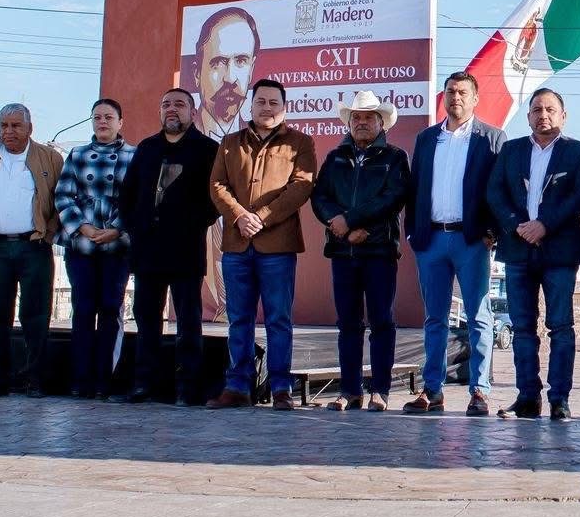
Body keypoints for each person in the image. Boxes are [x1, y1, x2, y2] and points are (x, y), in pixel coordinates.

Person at [206, 79, 317, 410]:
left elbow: (301, 187)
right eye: (261, 102)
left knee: (278, 319)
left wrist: (262, 217)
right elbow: (217, 185)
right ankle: (237, 387)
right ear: (250, 106)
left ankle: (281, 387)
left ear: (284, 108)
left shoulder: (300, 143)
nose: (267, 108)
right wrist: (240, 216)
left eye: (274, 103)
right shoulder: (229, 143)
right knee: (238, 318)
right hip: (236, 246)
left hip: (277, 247)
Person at [485, 88, 580, 421]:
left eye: (550, 109)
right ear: (528, 115)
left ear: (563, 115)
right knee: (521, 328)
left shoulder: (577, 152)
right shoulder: (511, 150)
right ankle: (527, 396)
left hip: (559, 252)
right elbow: (495, 191)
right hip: (518, 250)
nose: (542, 115)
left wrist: (544, 224)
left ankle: (559, 398)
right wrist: (517, 225)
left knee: (560, 326)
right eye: (536, 109)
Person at [405, 71, 505, 417]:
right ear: (443, 97)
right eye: (450, 91)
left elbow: (498, 189)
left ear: (475, 99)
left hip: (471, 240)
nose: (456, 97)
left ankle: (479, 391)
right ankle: (432, 391)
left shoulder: (491, 138)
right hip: (431, 239)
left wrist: (492, 231)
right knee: (435, 318)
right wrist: (412, 233)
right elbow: (415, 187)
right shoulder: (426, 138)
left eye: (463, 92)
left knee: (478, 316)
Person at [311, 91, 411, 411]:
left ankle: (379, 391)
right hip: (343, 254)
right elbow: (320, 198)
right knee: (348, 324)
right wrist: (336, 224)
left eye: (368, 117)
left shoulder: (395, 157)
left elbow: (392, 198)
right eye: (357, 117)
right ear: (349, 123)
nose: (362, 122)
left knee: (382, 321)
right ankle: (350, 391)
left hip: (379, 251)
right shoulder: (335, 157)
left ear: (381, 122)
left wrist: (352, 221)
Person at [120, 88, 221, 404]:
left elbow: (214, 200)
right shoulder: (147, 149)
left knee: (188, 323)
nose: (172, 109)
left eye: (179, 104)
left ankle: (188, 388)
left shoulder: (207, 149)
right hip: (147, 251)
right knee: (147, 320)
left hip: (186, 250)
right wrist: (135, 227)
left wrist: (191, 224)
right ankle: (143, 385)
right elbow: (128, 195)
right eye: (166, 104)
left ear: (192, 111)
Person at [0, 103, 63, 398]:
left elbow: (61, 197)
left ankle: (35, 379)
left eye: (16, 125)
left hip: (35, 247)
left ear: (30, 128)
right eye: (4, 125)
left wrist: (49, 234)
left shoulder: (50, 157)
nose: (9, 131)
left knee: (35, 315)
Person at [54, 98, 136, 400]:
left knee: (111, 308)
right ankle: (81, 379)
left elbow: (138, 200)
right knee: (84, 309)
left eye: (108, 117)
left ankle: (107, 378)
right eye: (97, 117)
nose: (102, 122)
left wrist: (116, 228)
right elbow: (63, 195)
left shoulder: (134, 155)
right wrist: (85, 229)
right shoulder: (77, 155)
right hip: (82, 246)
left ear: (120, 122)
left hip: (118, 244)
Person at [191, 6, 260, 141]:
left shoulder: (258, 144)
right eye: (218, 63)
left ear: (251, 70)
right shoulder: (180, 140)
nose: (230, 78)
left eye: (241, 61)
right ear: (197, 74)